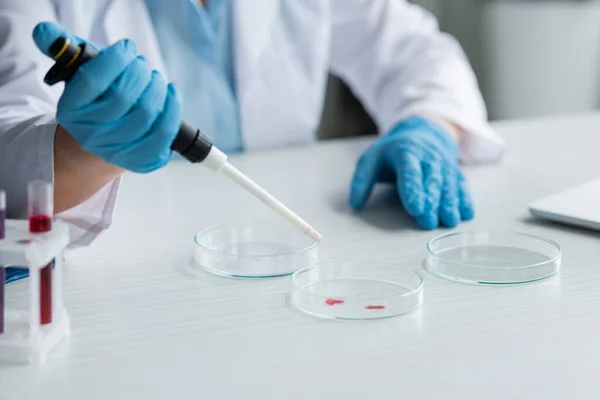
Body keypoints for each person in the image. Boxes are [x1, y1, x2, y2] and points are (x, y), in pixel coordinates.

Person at [0, 0, 504, 249]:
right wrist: (77, 153)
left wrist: (431, 125)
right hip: (130, 274)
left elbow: (415, 49)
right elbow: (9, 138)